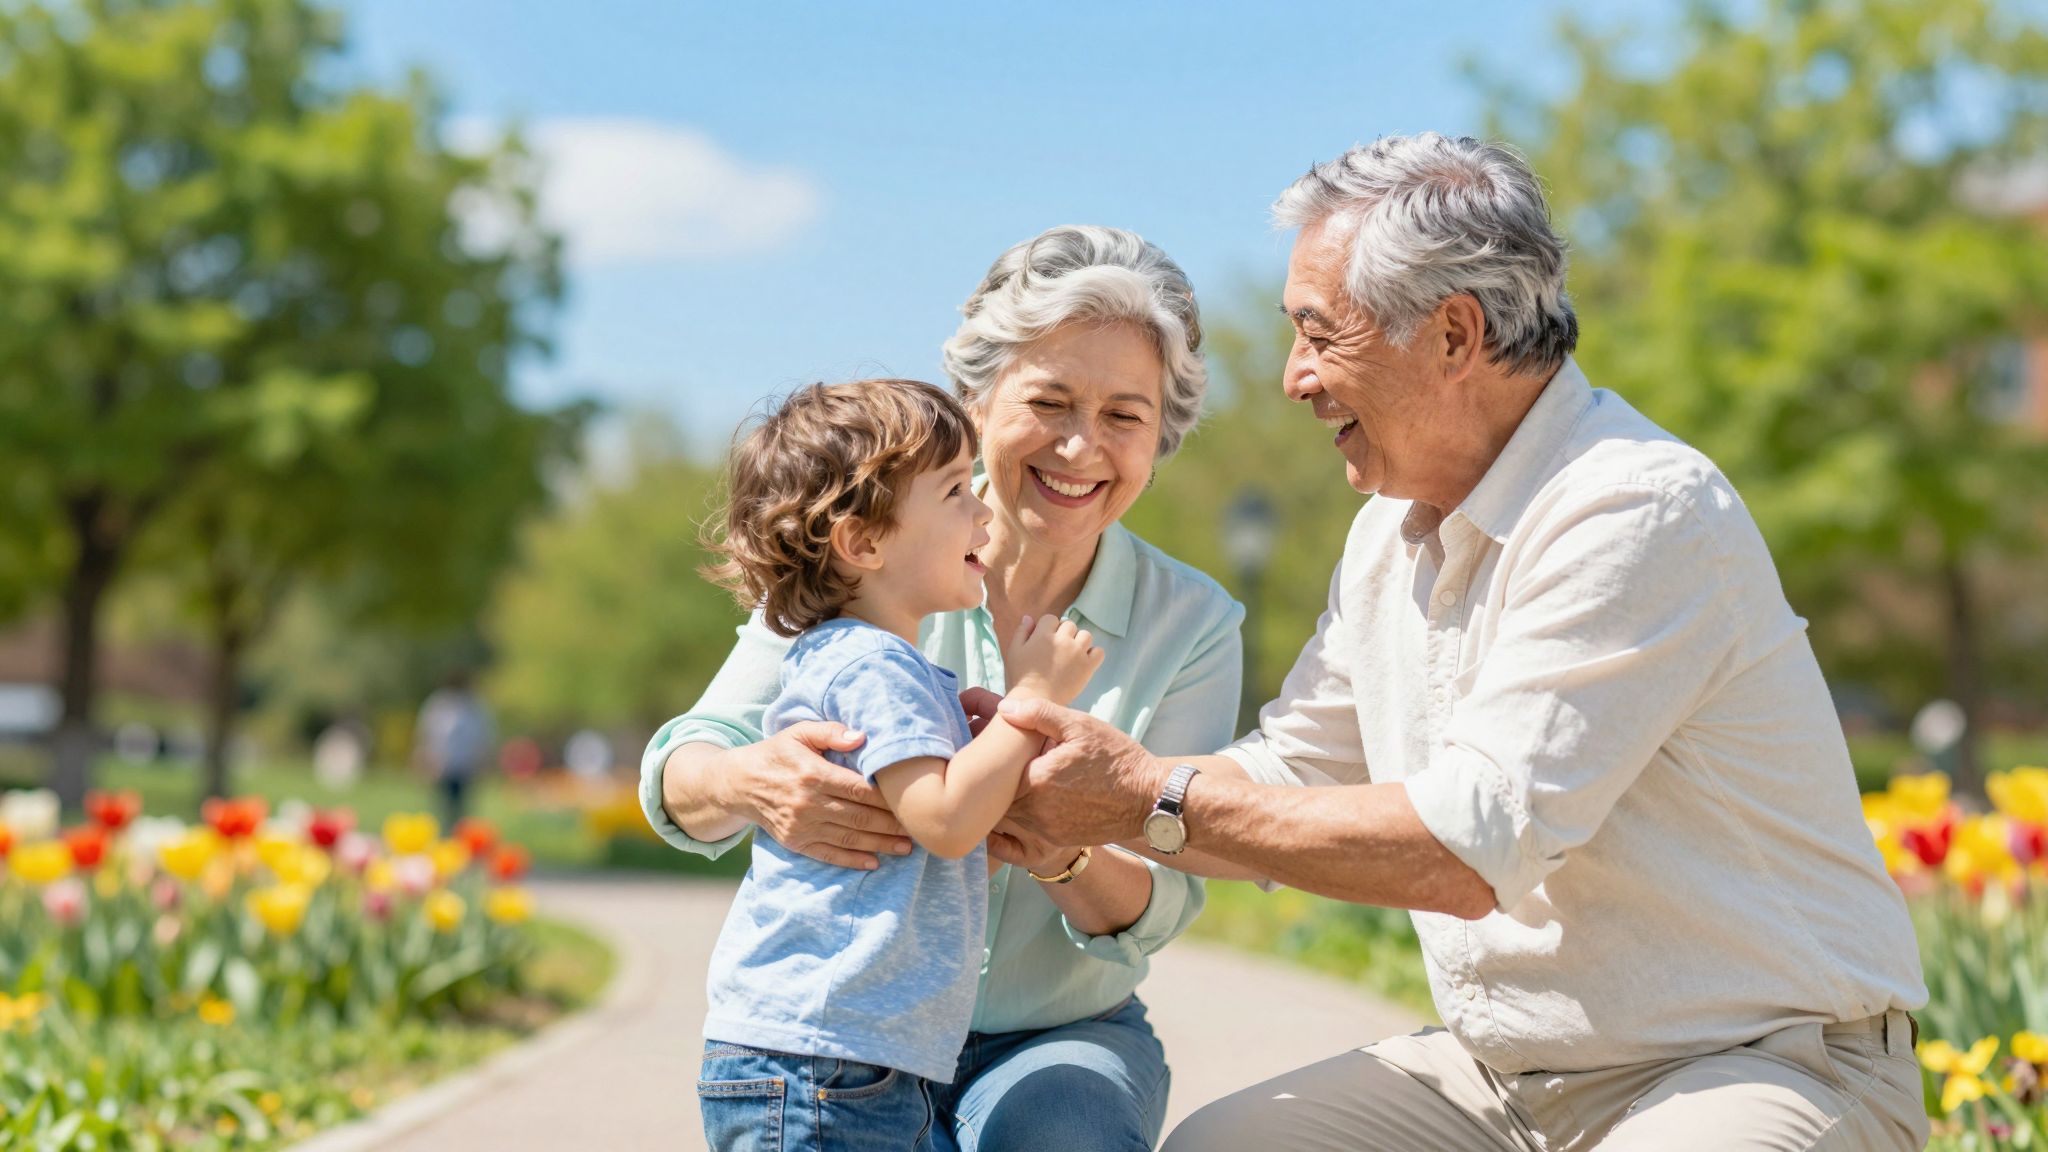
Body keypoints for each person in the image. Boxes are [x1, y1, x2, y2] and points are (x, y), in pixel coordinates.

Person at [992, 135, 1931, 1151]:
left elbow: (1468, 848)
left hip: (1751, 1060)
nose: (1292, 379)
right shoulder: (1387, 533)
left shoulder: (1632, 508)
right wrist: (1053, 786)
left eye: (1316, 334)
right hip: (1505, 1079)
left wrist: (1138, 796)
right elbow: (1290, 767)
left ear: (1450, 335)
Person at [643, 225, 1241, 1150]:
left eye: (1126, 415)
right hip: (849, 1040)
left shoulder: (1193, 623)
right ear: (977, 399)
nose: (1082, 447)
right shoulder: (866, 561)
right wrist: (750, 780)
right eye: (1050, 401)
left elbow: (1160, 900)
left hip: (1054, 1035)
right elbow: (686, 763)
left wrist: (1055, 848)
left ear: (1160, 438)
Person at [695, 377, 1104, 1151]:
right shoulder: (874, 668)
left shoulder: (881, 667)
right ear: (864, 542)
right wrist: (1033, 698)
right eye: (954, 491)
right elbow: (945, 823)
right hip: (825, 1063)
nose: (983, 508)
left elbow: (936, 846)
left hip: (849, 1058)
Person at [413, 670, 492, 828]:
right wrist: (424, 757)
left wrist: (482, 759)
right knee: (443, 803)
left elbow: (483, 735)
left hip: (466, 764)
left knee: (462, 804)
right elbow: (427, 733)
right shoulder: (438, 704)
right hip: (443, 763)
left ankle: (460, 832)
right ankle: (446, 832)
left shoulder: (474, 706)